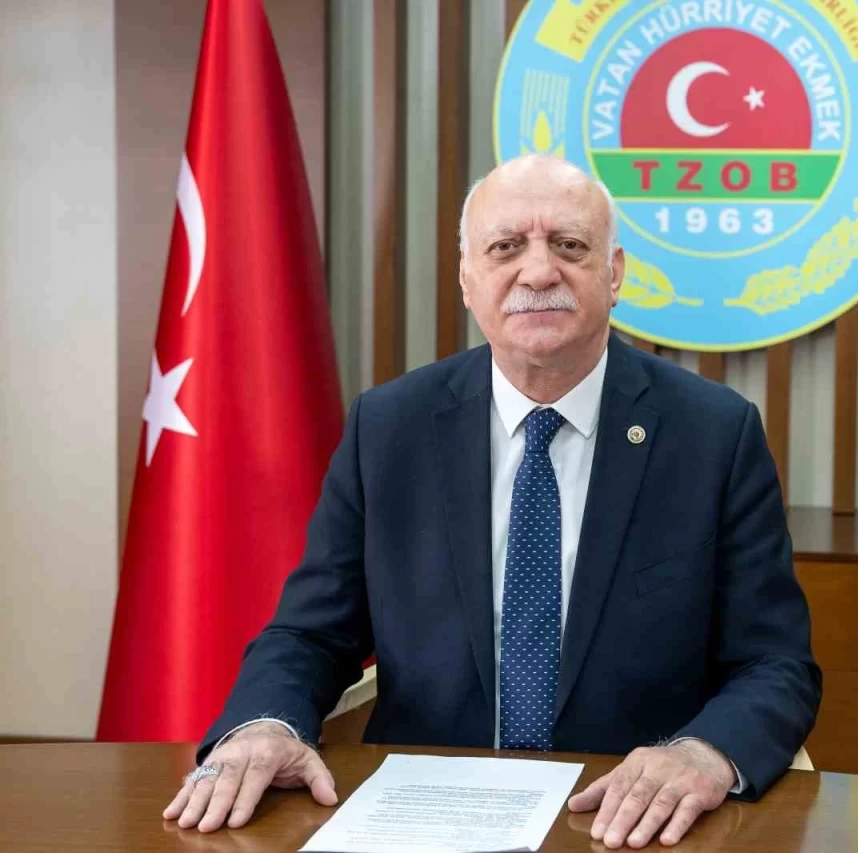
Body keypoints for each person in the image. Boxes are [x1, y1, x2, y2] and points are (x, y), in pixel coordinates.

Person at [162, 154, 821, 848]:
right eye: (506, 247)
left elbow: (775, 663)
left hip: (626, 821)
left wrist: (703, 753)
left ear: (615, 273)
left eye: (569, 245)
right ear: (466, 278)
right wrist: (267, 723)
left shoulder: (713, 433)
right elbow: (311, 633)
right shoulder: (389, 427)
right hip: (425, 816)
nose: (538, 273)